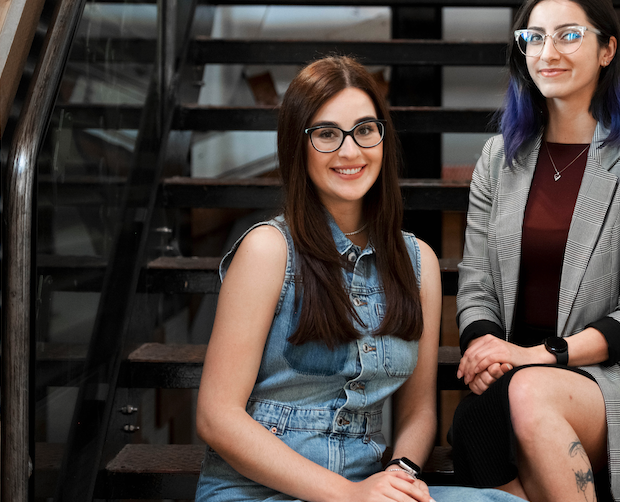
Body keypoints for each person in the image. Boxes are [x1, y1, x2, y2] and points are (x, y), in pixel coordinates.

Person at [195, 55, 523, 502]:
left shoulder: (417, 262)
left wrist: (401, 475)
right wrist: (347, 495)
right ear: (298, 145)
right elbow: (217, 417)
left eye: (365, 130)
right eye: (327, 134)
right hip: (257, 491)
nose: (350, 151)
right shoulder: (269, 251)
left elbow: (419, 412)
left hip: (367, 486)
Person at [450, 0, 620, 502]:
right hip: (512, 370)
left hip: (612, 376)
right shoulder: (500, 158)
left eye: (568, 35)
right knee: (476, 424)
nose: (546, 52)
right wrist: (487, 349)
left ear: (607, 49)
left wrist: (534, 357)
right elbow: (475, 283)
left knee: (525, 393)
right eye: (533, 37)